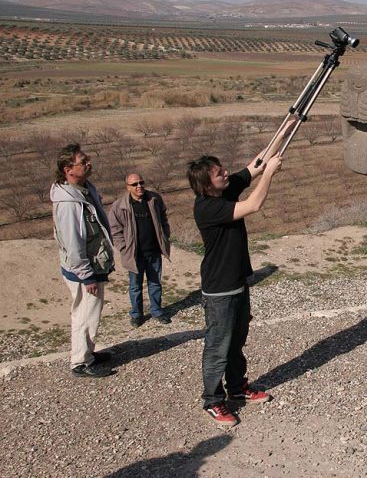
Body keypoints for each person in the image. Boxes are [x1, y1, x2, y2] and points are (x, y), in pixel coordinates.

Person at [187, 129, 290, 427]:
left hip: (238, 283)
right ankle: (212, 400)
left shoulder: (224, 189)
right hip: (219, 289)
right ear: (208, 185)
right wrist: (270, 174)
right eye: (220, 173)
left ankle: (237, 388)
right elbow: (254, 204)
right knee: (218, 345)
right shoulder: (208, 207)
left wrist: (285, 128)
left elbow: (255, 165)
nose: (226, 173)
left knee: (237, 341)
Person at [50, 143, 115, 378]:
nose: (89, 163)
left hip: (93, 263)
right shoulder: (69, 203)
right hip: (85, 269)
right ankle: (81, 361)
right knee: (85, 314)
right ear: (69, 169)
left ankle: (87, 351)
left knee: (87, 313)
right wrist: (86, 275)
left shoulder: (83, 189)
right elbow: (73, 243)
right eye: (83, 161)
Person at [108, 173, 172, 327]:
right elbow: (115, 230)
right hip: (134, 254)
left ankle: (157, 311)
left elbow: (163, 217)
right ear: (127, 187)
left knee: (155, 283)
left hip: (154, 251)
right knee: (135, 286)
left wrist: (165, 234)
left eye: (141, 183)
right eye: (134, 184)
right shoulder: (119, 206)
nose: (139, 186)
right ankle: (137, 314)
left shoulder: (154, 199)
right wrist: (124, 248)